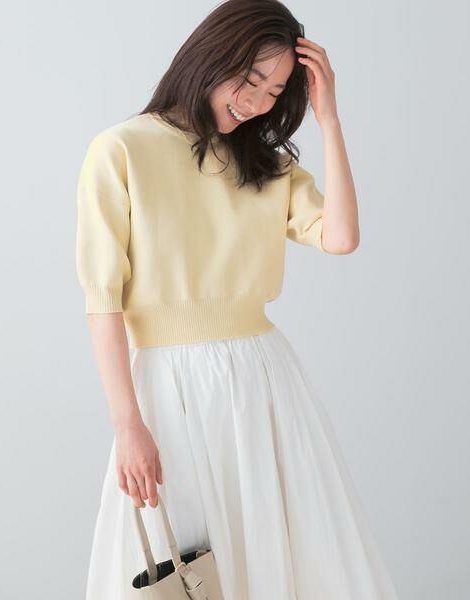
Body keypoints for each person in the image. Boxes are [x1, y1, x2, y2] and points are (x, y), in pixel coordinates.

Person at [75, 1, 399, 598]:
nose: (256, 102)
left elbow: (341, 237)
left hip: (263, 378)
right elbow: (103, 301)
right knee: (184, 563)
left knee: (278, 553)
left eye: (275, 91)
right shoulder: (121, 149)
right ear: (210, 56)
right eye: (250, 80)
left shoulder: (264, 164)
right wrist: (127, 425)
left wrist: (329, 119)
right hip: (169, 387)